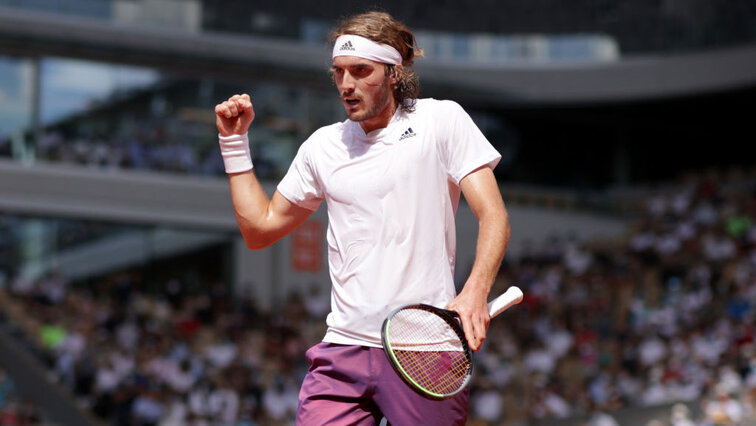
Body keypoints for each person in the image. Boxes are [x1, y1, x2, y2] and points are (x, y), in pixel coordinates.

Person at [214, 11, 510, 425]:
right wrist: (234, 143)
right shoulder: (323, 146)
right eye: (339, 73)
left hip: (423, 349)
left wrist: (474, 292)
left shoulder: (441, 120)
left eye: (360, 71)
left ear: (394, 73)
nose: (346, 85)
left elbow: (494, 216)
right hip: (343, 349)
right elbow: (259, 230)